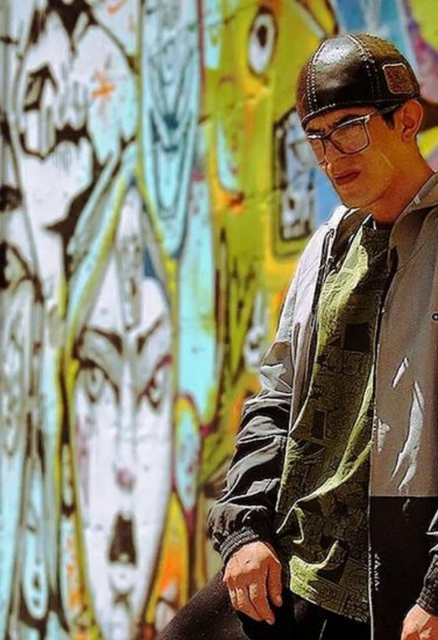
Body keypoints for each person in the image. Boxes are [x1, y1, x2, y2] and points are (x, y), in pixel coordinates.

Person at [159, 32, 438, 640]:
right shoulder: (329, 244)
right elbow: (279, 397)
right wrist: (244, 529)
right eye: (317, 137)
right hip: (297, 564)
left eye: (350, 128)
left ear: (407, 120)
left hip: (398, 577)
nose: (332, 155)